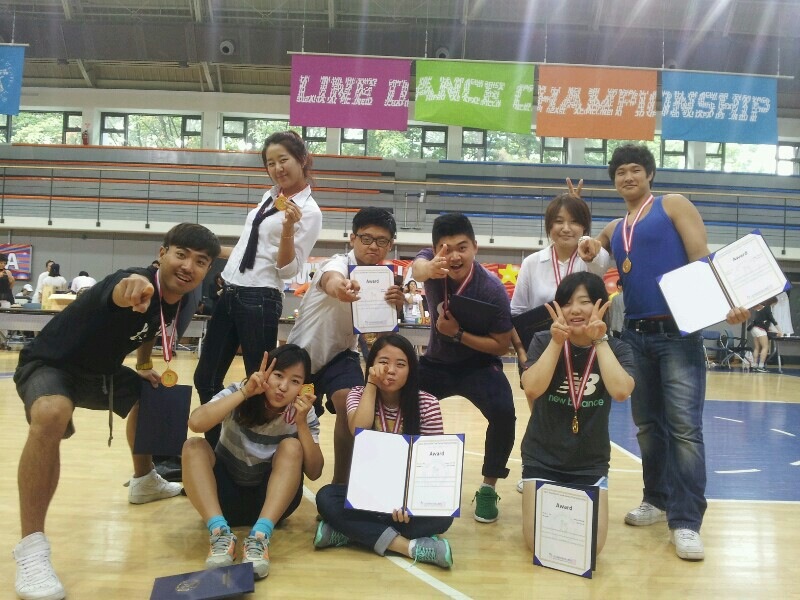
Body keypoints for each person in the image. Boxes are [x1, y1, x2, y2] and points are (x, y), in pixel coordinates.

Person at [12, 223, 220, 600]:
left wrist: (144, 366)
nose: (189, 266)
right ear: (162, 254)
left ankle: (145, 480)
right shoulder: (136, 281)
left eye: (200, 261)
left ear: (207, 269)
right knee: (52, 412)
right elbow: (125, 288)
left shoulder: (179, 300)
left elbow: (150, 331)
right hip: (51, 363)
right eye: (181, 254)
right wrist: (133, 290)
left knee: (154, 393)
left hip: (101, 373)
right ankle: (31, 549)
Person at [577, 143, 749, 561]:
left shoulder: (673, 204)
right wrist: (589, 243)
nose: (628, 177)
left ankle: (686, 521)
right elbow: (593, 251)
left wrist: (727, 304)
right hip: (635, 335)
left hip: (678, 335)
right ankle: (656, 499)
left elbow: (701, 257)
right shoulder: (616, 227)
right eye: (620, 172)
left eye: (635, 169)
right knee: (648, 428)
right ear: (614, 181)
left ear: (649, 174)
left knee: (685, 430)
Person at [194, 130, 322, 448]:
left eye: (283, 160)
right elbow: (247, 244)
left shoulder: (309, 211)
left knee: (262, 385)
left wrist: (289, 228)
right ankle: (221, 452)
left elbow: (288, 270)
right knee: (205, 377)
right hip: (232, 291)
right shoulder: (270, 196)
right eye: (270, 162)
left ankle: (260, 455)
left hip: (260, 297)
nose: (277, 168)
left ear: (302, 160)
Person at [182, 344, 322, 580]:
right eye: (278, 375)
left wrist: (301, 424)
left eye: (295, 381)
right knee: (193, 446)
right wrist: (245, 393)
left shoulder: (302, 411)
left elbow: (315, 471)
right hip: (224, 497)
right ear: (265, 372)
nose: (283, 387)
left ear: (304, 386)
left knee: (292, 446)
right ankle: (219, 533)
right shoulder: (241, 390)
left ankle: (260, 537)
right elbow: (195, 423)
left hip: (270, 502)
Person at [314, 334, 453, 568]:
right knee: (326, 497)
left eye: (401, 364)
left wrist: (408, 501)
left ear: (411, 370)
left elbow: (429, 463)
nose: (390, 370)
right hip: (366, 493)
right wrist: (371, 384)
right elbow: (358, 430)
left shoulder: (427, 403)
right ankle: (408, 546)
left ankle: (350, 532)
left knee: (444, 516)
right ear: (371, 365)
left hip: (406, 495)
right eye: (383, 362)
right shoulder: (358, 394)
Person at [520, 272, 635, 556]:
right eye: (567, 303)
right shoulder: (542, 340)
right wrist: (557, 342)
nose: (575, 310)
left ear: (600, 305)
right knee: (538, 544)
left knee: (591, 548)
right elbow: (532, 387)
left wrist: (600, 341)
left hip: (589, 463)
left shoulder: (617, 348)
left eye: (584, 302)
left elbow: (621, 391)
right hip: (542, 458)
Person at [287, 207, 404, 484]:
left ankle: (341, 485)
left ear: (390, 245)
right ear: (353, 238)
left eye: (382, 241)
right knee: (293, 418)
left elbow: (379, 336)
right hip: (302, 358)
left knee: (350, 403)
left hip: (341, 356)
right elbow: (332, 280)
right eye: (366, 238)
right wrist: (341, 288)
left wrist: (393, 309)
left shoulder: (383, 281)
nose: (373, 246)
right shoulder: (337, 264)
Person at [412, 212, 515, 523]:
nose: (454, 256)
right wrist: (427, 268)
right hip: (436, 363)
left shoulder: (492, 289)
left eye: (462, 247)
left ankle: (488, 488)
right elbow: (417, 268)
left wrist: (457, 334)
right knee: (401, 399)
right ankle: (406, 474)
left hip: (478, 364)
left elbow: (501, 345)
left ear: (475, 248)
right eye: (446, 249)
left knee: (503, 412)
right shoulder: (433, 265)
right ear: (435, 250)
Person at [509, 192, 611, 493]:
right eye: (558, 221)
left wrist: (591, 248)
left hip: (584, 353)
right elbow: (517, 311)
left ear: (585, 227)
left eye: (574, 222)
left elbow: (599, 268)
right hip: (542, 351)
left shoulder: (594, 260)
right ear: (548, 227)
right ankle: (537, 467)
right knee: (542, 415)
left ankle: (576, 470)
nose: (566, 228)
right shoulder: (532, 262)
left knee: (578, 411)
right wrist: (523, 353)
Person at [748, 297, 781, 373]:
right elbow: (772, 320)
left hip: (754, 328)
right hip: (760, 329)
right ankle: (761, 366)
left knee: (757, 348)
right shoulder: (768, 308)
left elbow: (762, 321)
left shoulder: (761, 308)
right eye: (775, 304)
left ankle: (754, 366)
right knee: (765, 347)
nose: (774, 305)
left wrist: (772, 330)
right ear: (773, 302)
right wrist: (780, 331)